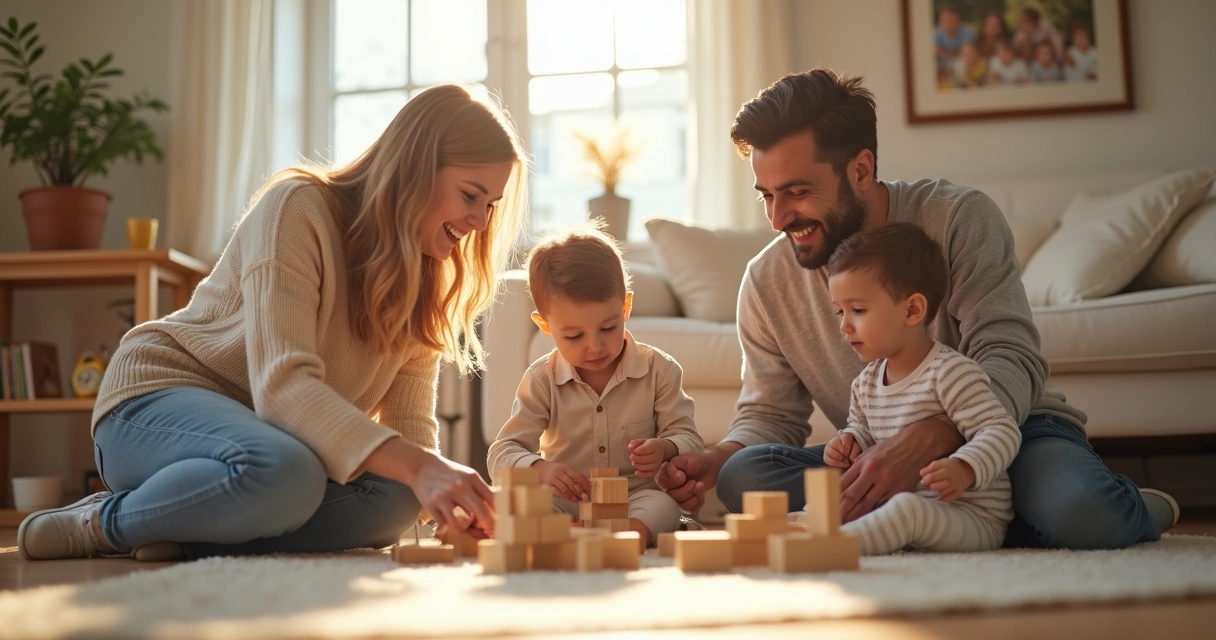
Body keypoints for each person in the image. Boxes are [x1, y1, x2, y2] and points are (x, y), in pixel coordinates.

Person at [654, 68, 1180, 550]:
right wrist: (714, 460)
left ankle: (1122, 506)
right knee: (744, 476)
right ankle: (982, 522)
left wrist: (928, 438)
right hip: (876, 448)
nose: (777, 218)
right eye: (765, 195)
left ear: (861, 169)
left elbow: (1010, 354)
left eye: (796, 191)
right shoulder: (767, 279)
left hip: (1006, 430)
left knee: (1086, 515)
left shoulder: (957, 219)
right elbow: (769, 413)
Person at [17, 84, 530, 561]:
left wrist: (439, 500)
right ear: (414, 168)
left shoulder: (424, 282)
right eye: (469, 195)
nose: (481, 222)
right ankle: (106, 522)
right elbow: (282, 390)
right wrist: (424, 469)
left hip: (273, 452)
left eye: (490, 205)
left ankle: (186, 535)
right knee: (286, 472)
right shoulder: (298, 209)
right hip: (154, 404)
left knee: (395, 499)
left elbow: (411, 428)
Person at [487, 227, 704, 546]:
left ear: (626, 308)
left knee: (664, 507)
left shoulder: (661, 370)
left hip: (634, 497)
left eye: (608, 327)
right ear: (546, 326)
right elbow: (502, 453)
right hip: (565, 501)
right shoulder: (541, 379)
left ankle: (625, 535)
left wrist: (666, 448)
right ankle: (573, 531)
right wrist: (540, 469)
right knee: (519, 509)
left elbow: (690, 439)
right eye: (574, 336)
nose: (595, 346)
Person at [824, 223, 1021, 554]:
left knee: (906, 512)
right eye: (840, 311)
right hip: (908, 505)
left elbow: (1001, 431)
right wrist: (849, 443)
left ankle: (833, 548)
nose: (844, 325)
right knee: (830, 501)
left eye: (857, 310)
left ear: (912, 310)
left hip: (971, 516)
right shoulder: (866, 383)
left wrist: (965, 467)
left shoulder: (950, 372)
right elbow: (864, 432)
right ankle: (806, 530)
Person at [934, 5, 975, 84]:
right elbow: (934, 51)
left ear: (959, 21)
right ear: (941, 20)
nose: (950, 23)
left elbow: (968, 53)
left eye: (953, 20)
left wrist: (943, 52)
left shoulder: (967, 32)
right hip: (941, 66)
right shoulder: (935, 33)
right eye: (946, 20)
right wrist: (957, 52)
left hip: (962, 65)